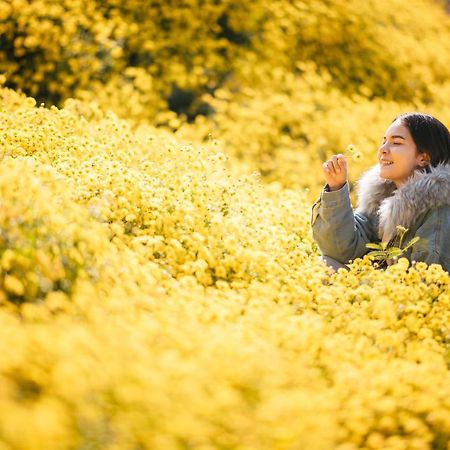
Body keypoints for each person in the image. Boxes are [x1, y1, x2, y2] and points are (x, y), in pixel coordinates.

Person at [311, 112, 450, 272]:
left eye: (396, 143)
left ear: (423, 158)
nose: (383, 149)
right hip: (380, 289)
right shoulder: (382, 198)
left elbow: (429, 281)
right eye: (384, 141)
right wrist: (336, 187)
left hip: (402, 294)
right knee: (323, 266)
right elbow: (342, 251)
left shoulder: (441, 209)